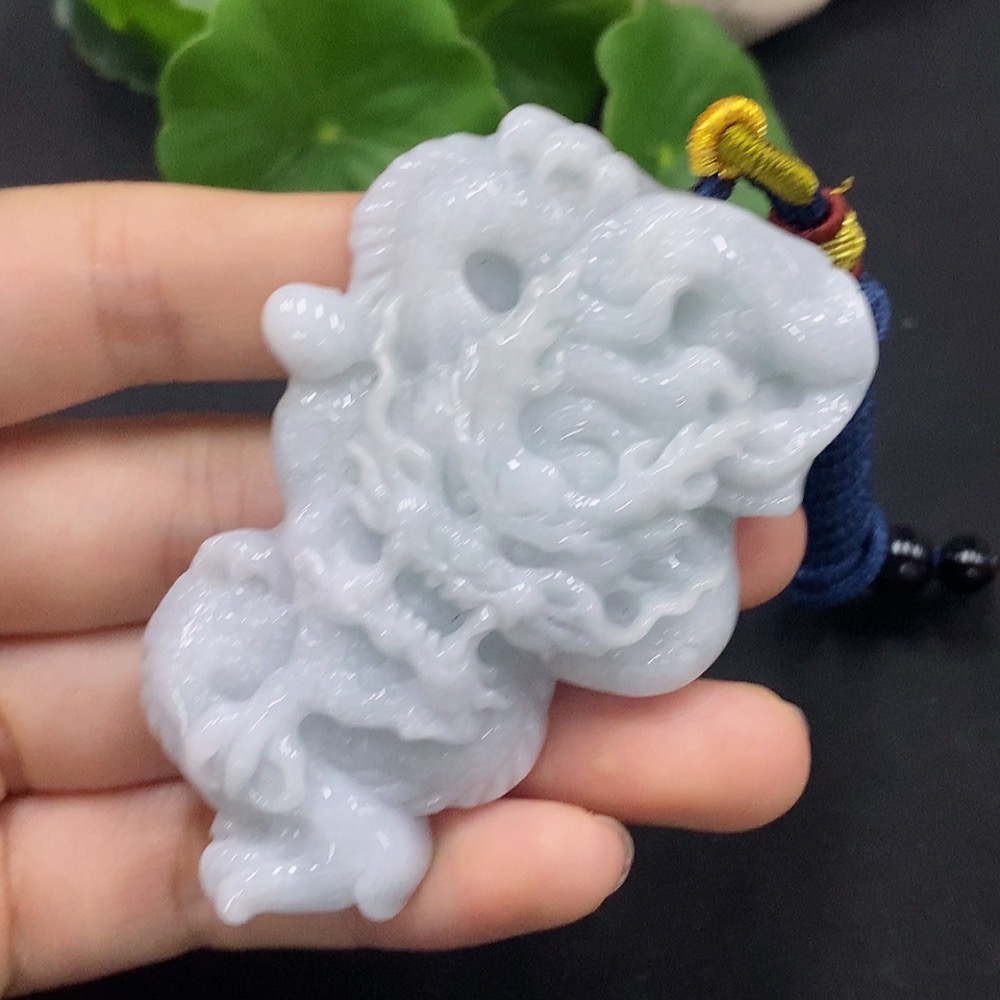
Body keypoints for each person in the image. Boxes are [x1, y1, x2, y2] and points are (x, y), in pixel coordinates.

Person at [0, 182, 810, 994]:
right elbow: (325, 455)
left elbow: (658, 649)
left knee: (304, 714)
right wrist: (337, 367)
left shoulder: (641, 534)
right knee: (202, 645)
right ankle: (331, 829)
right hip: (305, 610)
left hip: (451, 708)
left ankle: (347, 835)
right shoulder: (427, 416)